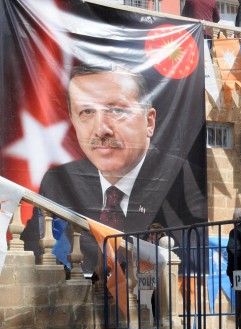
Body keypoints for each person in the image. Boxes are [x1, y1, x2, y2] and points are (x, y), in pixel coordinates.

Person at [21, 64, 207, 274]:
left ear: (149, 122)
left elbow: (193, 263)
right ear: (73, 121)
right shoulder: (57, 182)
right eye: (87, 112)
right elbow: (32, 253)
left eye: (117, 110)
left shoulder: (187, 180)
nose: (101, 130)